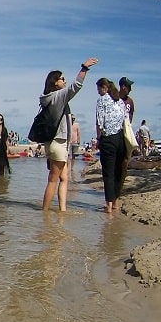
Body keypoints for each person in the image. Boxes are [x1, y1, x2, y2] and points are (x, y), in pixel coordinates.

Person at [39, 58, 98, 212]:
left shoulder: (49, 99)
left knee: (64, 178)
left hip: (56, 143)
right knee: (53, 180)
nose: (64, 81)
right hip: (58, 143)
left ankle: (62, 211)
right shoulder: (58, 96)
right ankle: (45, 214)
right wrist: (84, 68)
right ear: (55, 82)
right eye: (62, 79)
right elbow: (76, 86)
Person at [95, 77, 127, 214]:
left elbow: (99, 122)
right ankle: (115, 202)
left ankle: (108, 206)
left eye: (98, 89)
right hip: (120, 139)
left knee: (108, 173)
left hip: (108, 139)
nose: (98, 92)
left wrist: (98, 138)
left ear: (104, 87)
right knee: (118, 172)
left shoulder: (102, 100)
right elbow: (125, 120)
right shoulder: (120, 101)